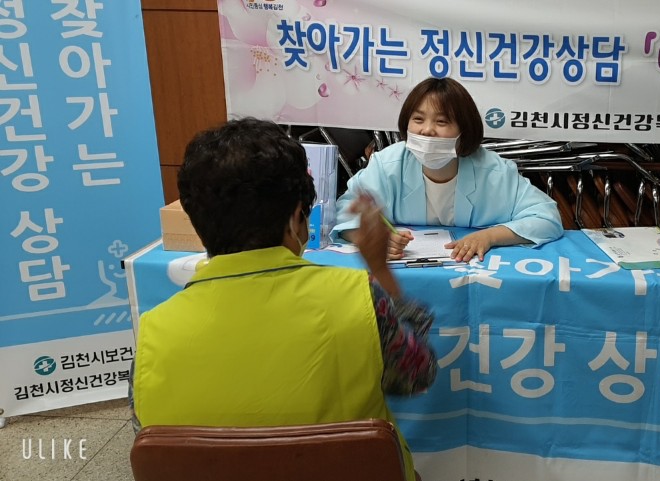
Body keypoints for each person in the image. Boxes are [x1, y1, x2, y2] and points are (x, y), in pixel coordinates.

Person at [130, 118, 436, 481]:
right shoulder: (359, 296)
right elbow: (417, 375)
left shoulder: (153, 331)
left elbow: (154, 444)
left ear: (197, 220)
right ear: (295, 220)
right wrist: (383, 275)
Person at [333, 77, 563, 262]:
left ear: (464, 131)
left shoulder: (494, 171)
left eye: (441, 122)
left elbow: (547, 217)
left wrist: (490, 236)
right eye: (418, 119)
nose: (427, 130)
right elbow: (345, 210)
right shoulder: (387, 164)